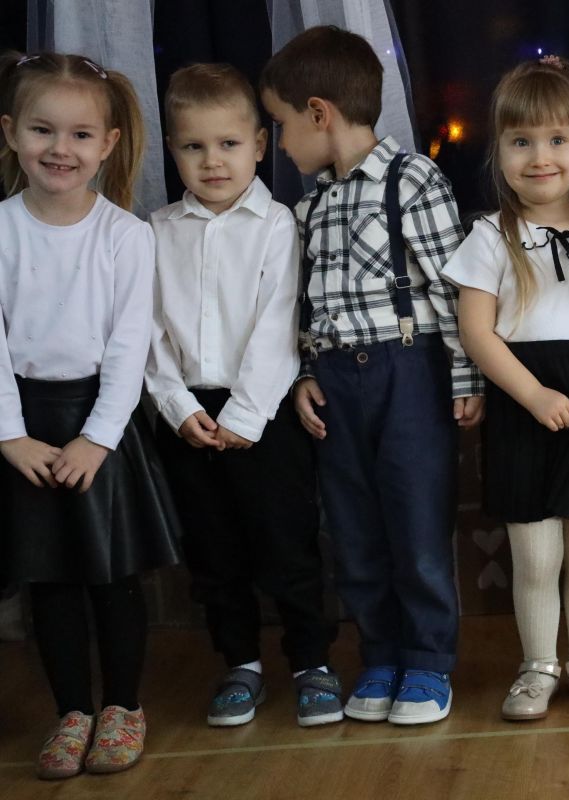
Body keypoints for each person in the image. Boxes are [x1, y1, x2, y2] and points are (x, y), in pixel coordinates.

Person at [260, 26, 484, 726]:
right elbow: (305, 305)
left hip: (407, 372)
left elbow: (453, 287)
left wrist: (464, 376)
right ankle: (381, 654)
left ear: (319, 113)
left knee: (417, 526)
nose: (280, 142)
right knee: (354, 528)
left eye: (282, 124)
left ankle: (428, 661)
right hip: (337, 382)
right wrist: (305, 371)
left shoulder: (411, 180)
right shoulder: (310, 207)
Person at [0, 51, 180, 778]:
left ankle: (123, 707)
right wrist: (11, 435)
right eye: (42, 130)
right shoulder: (2, 230)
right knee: (49, 581)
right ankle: (72, 710)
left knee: (112, 578)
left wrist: (97, 440)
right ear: (10, 133)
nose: (60, 149)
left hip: (102, 426)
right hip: (24, 427)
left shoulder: (125, 236)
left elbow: (129, 349)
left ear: (107, 144)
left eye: (79, 135)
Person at [146, 63, 340, 728]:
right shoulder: (156, 231)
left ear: (259, 145)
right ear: (171, 151)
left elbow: (280, 324)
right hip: (188, 418)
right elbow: (147, 334)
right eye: (193, 146)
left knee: (287, 542)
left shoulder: (277, 225)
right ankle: (240, 663)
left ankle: (311, 662)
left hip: (265, 411)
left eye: (228, 144)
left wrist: (246, 415)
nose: (212, 161)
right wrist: (178, 407)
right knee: (214, 550)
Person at [446, 55, 569, 721]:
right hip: (524, 407)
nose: (540, 157)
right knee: (535, 554)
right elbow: (476, 331)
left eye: (557, 139)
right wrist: (531, 396)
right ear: (499, 152)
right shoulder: (490, 235)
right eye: (521, 141)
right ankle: (538, 666)